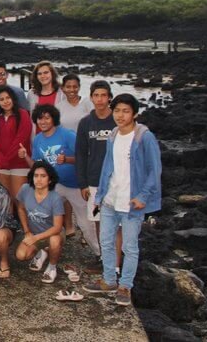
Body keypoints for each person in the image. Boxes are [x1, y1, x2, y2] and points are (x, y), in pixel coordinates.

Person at [84, 94, 162, 306]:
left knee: (129, 246)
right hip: (110, 199)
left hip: (132, 203)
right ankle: (109, 280)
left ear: (135, 113)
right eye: (117, 110)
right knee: (107, 242)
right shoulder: (114, 134)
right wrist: (100, 195)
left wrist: (143, 196)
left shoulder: (144, 137)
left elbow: (154, 171)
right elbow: (107, 167)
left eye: (125, 111)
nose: (120, 115)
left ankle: (125, 286)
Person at [19, 105, 100, 257]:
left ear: (54, 119)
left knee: (85, 223)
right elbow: (37, 167)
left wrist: (67, 159)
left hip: (75, 185)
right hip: (55, 185)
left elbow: (86, 157)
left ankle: (101, 254)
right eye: (40, 118)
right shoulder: (37, 140)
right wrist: (25, 157)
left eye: (47, 118)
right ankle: (46, 247)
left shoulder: (67, 135)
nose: (43, 121)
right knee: (40, 214)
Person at [76, 80, 120, 274]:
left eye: (103, 95)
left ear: (109, 97)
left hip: (117, 181)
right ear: (91, 97)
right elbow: (80, 153)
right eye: (96, 95)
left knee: (117, 224)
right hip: (94, 182)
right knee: (99, 223)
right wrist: (83, 183)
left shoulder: (118, 120)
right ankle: (104, 260)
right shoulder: (86, 123)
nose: (100, 99)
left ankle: (116, 266)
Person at [15, 161, 65, 284]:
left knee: (54, 240)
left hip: (51, 233)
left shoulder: (55, 198)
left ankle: (52, 267)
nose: (39, 179)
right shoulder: (25, 189)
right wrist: (26, 231)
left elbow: (57, 227)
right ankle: (42, 252)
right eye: (36, 175)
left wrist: (36, 238)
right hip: (33, 233)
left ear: (50, 180)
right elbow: (20, 208)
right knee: (21, 255)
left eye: (43, 176)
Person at [0, 86, 32, 202]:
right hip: (1, 165)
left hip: (19, 163)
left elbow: (21, 139)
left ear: (13, 98)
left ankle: (22, 221)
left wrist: (6, 159)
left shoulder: (23, 114)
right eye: (1, 99)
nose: (5, 101)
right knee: (5, 201)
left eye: (8, 98)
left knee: (19, 200)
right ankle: (8, 221)